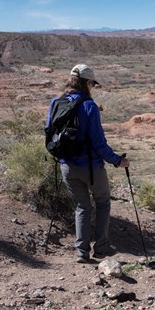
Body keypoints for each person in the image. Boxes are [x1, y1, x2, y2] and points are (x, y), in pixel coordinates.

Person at [47, 64, 130, 263]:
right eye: (92, 83)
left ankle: (81, 253)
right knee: (102, 203)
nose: (92, 87)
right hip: (91, 167)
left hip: (66, 165)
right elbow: (99, 143)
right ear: (87, 83)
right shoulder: (89, 106)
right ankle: (101, 249)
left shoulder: (55, 102)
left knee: (81, 207)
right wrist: (118, 161)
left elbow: (49, 132)